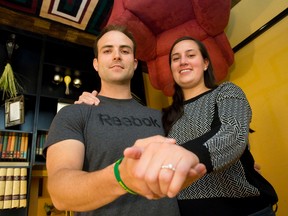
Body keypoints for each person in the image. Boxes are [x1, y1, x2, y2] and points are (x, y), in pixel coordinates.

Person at [76, 36, 278, 216]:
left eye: (191, 55)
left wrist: (183, 156)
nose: (183, 62)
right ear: (172, 69)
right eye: (176, 58)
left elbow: (232, 133)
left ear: (205, 63)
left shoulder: (226, 92)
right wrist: (95, 104)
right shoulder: (162, 117)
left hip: (246, 210)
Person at [43, 25, 206, 216]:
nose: (117, 56)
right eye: (107, 50)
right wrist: (122, 177)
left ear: (135, 63)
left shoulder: (162, 117)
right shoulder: (73, 114)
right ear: (96, 63)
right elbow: (60, 192)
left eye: (125, 50)